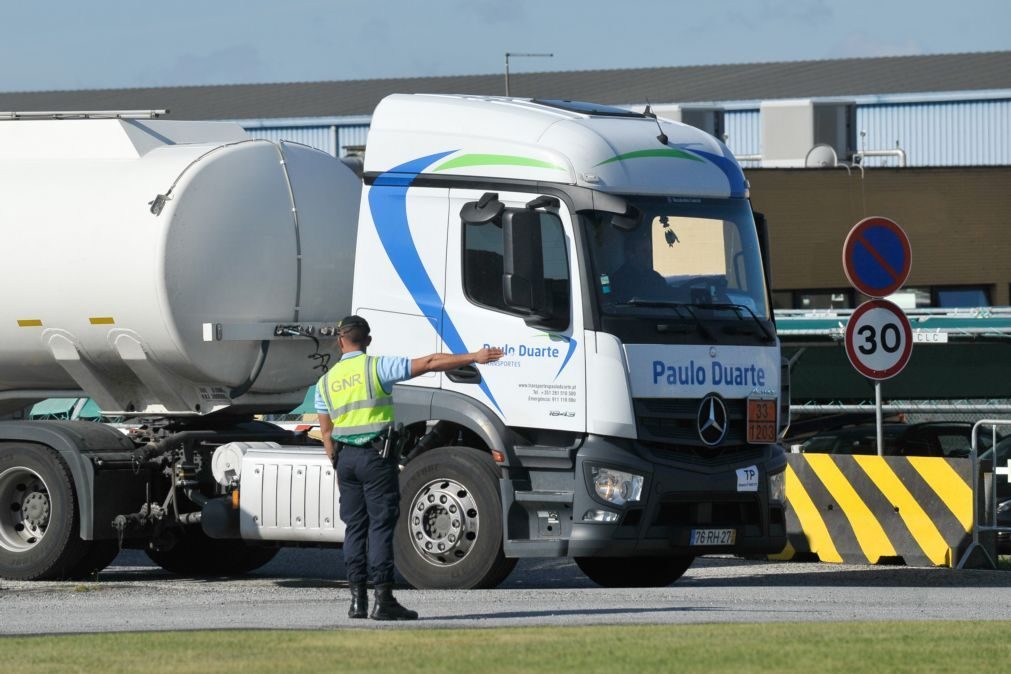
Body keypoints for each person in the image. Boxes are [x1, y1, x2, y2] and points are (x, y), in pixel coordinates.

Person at [315, 315, 503, 621]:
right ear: (369, 341)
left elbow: (326, 433)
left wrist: (337, 463)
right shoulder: (375, 367)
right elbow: (429, 362)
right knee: (380, 527)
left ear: (339, 342)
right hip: (375, 458)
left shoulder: (325, 382)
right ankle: (383, 599)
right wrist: (474, 357)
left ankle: (356, 601)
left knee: (355, 529)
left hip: (345, 460)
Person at [608, 233, 670, 302]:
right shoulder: (619, 280)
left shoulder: (655, 277)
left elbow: (667, 294)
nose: (649, 255)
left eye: (650, 251)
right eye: (644, 251)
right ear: (630, 255)